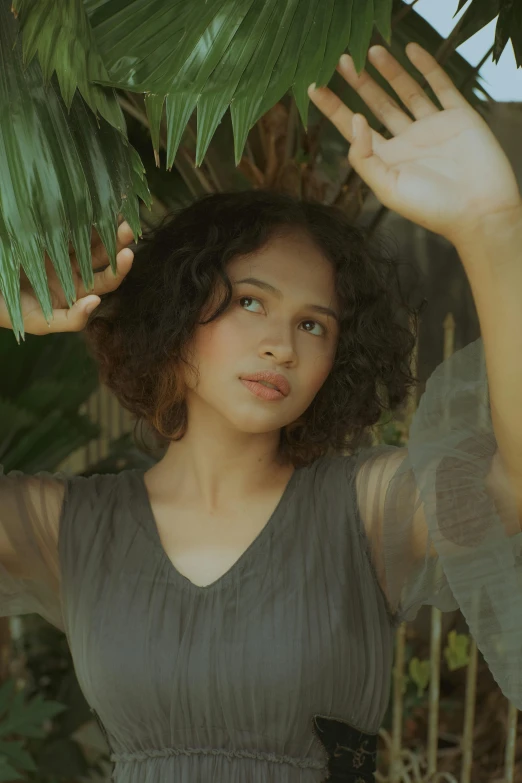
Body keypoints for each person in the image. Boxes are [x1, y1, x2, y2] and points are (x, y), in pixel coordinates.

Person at [1, 42, 522, 783]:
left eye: (315, 324)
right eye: (251, 301)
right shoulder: (68, 527)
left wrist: (493, 228)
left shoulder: (364, 512)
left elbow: (515, 482)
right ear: (175, 312)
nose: (281, 344)